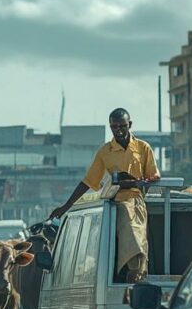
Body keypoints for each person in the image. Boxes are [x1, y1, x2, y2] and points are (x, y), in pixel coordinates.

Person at [49, 108, 160, 283]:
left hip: (136, 199)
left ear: (129, 124)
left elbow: (154, 176)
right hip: (115, 200)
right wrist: (66, 206)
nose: (119, 130)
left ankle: (136, 270)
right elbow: (88, 182)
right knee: (123, 215)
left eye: (122, 126)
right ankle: (130, 269)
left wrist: (137, 182)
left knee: (136, 232)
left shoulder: (142, 148)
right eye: (114, 127)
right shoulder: (105, 152)